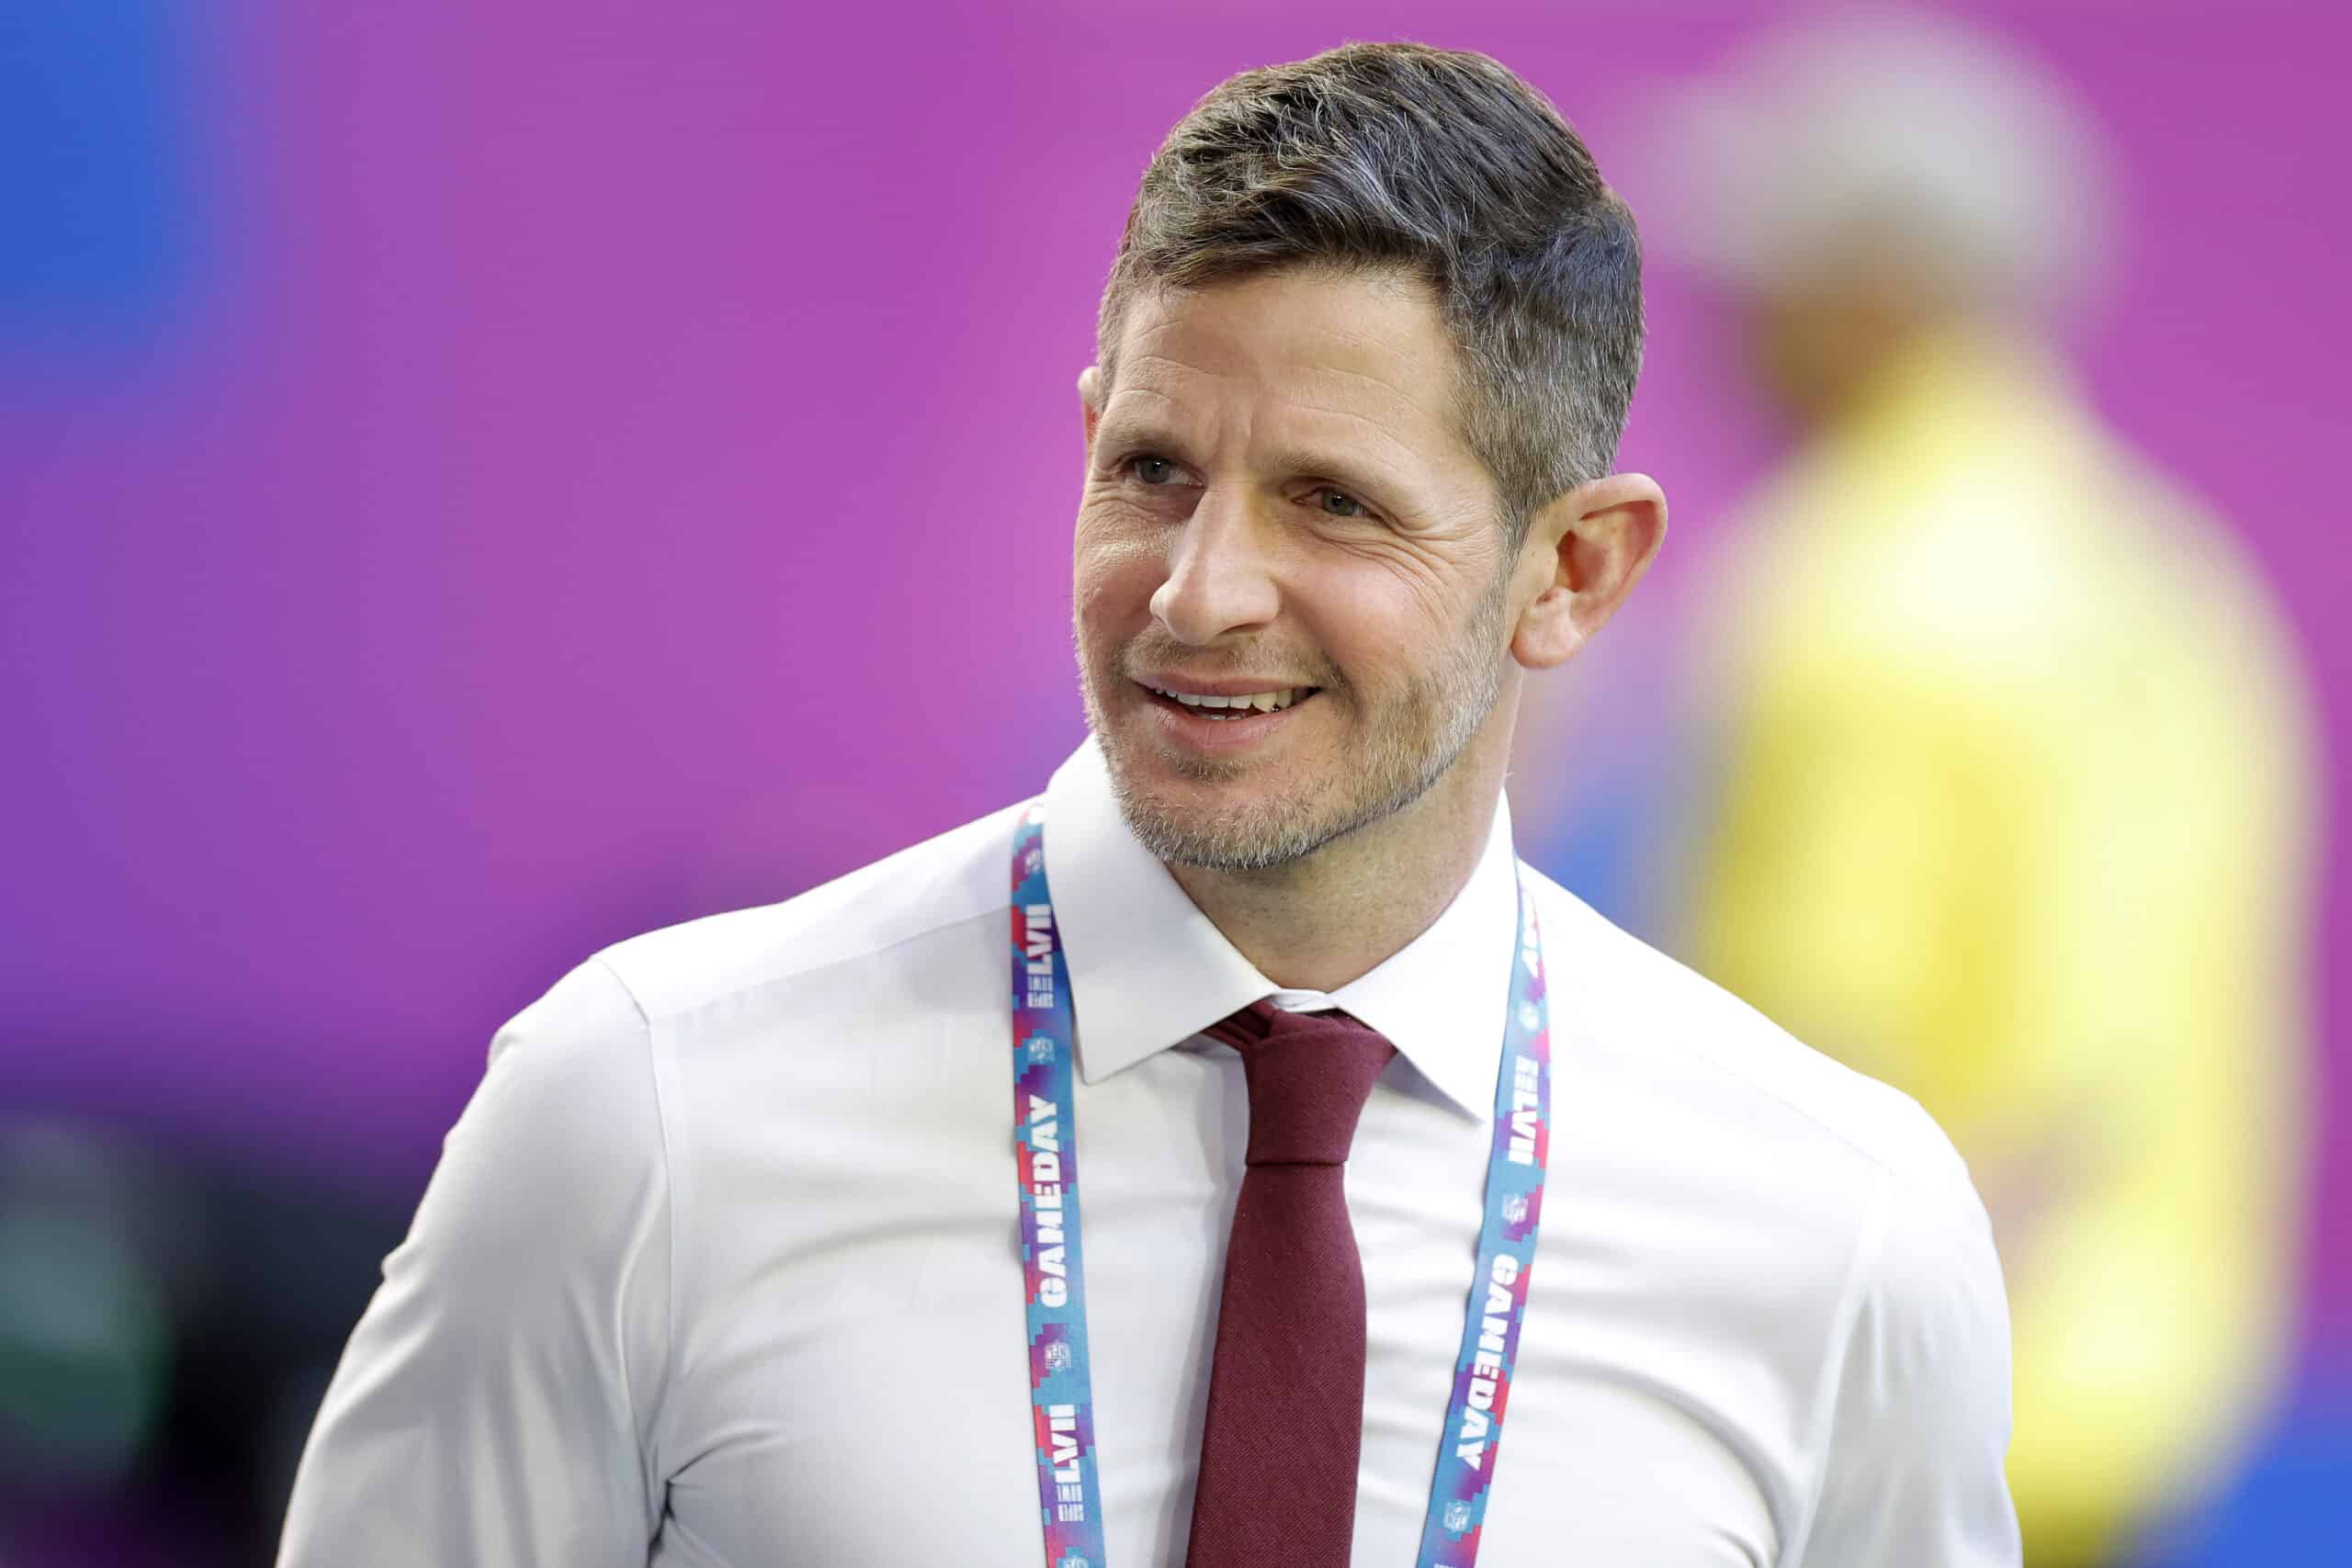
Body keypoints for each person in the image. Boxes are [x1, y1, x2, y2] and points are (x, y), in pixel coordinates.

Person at [278, 42, 2018, 1566]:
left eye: (1332, 503)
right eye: (1154, 473)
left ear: (1571, 571)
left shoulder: (1842, 1230)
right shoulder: (645, 1108)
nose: (1199, 593)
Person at [1638, 15, 2320, 1566]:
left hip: (1890, 1430)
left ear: (1878, 292)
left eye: (1770, 274)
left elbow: (1809, 1053)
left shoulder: (1845, 589)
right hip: (2141, 1417)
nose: (1724, 319)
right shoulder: (2177, 583)